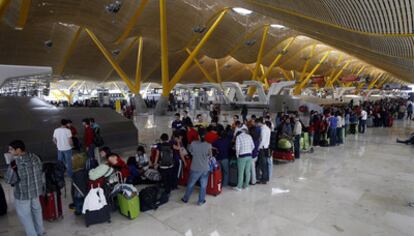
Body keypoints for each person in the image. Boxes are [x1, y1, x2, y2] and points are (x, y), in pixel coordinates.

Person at [6, 140, 44, 236]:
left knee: (25, 216)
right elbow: (40, 170)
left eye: (11, 149)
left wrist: (10, 164)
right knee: (37, 211)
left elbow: (9, 180)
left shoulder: (15, 163)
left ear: (18, 150)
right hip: (36, 191)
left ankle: (32, 234)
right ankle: (40, 232)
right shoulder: (35, 157)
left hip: (23, 194)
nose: (9, 151)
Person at [181, 129, 211, 206]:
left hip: (195, 167)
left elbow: (190, 152)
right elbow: (210, 155)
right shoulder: (208, 145)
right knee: (203, 186)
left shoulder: (193, 143)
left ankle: (185, 198)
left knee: (191, 184)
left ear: (198, 136)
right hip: (205, 168)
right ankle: (201, 201)